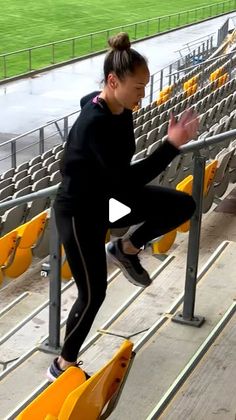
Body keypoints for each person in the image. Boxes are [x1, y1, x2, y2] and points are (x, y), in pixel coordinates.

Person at [47, 32, 198, 381]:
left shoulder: (116, 106)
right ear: (113, 81)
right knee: (93, 293)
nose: (142, 95)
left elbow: (90, 99)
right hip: (80, 213)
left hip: (107, 201)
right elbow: (126, 182)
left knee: (181, 205)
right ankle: (62, 365)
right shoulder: (94, 125)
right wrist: (171, 145)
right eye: (137, 87)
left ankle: (125, 248)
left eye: (145, 87)